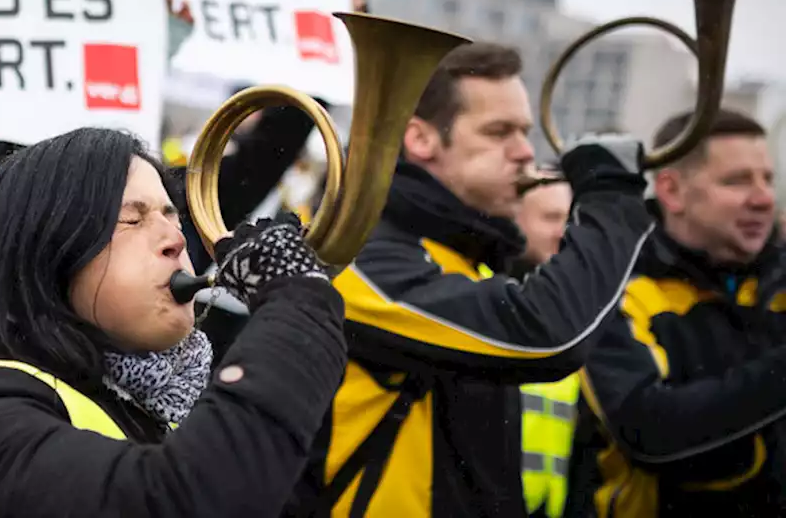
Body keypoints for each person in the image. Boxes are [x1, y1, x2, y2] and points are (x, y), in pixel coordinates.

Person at [0, 127, 346, 517]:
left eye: (171, 216)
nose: (175, 240)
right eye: (132, 221)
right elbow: (183, 501)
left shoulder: (143, 399)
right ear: (47, 250)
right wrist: (296, 305)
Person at [297, 43, 654, 516]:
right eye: (499, 132)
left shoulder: (460, 257)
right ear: (421, 138)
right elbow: (543, 335)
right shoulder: (351, 255)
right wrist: (610, 202)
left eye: (525, 132)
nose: (526, 152)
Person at [572, 109, 786, 517]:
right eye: (737, 180)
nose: (762, 198)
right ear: (671, 191)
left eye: (768, 179)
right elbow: (649, 431)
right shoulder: (617, 289)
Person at [511, 175, 582, 518]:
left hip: (550, 504)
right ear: (515, 220)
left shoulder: (578, 308)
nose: (564, 232)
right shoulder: (479, 295)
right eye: (551, 218)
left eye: (570, 220)